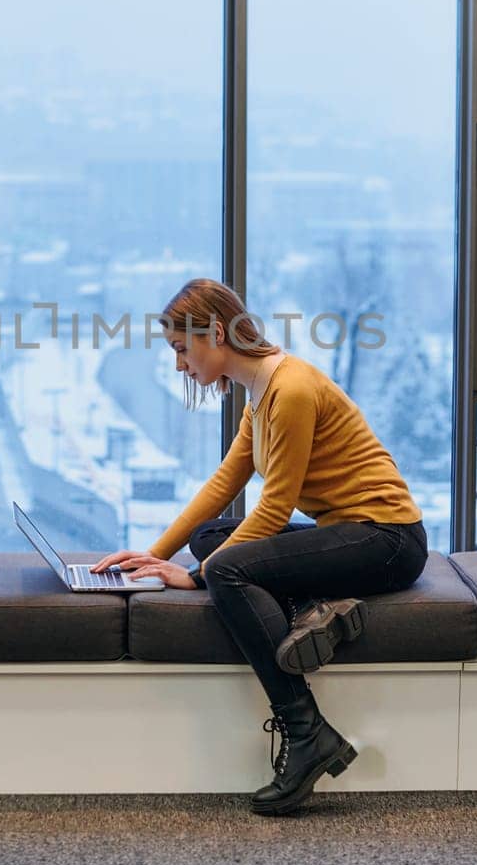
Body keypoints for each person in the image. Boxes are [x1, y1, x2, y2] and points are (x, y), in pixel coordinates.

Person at [93, 278, 428, 815]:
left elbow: (274, 510)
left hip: (386, 540)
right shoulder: (261, 391)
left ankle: (306, 730)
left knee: (225, 568)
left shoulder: (291, 390)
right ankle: (314, 612)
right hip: (347, 533)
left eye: (182, 348)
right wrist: (153, 556)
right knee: (211, 537)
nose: (179, 364)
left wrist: (200, 575)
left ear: (216, 333)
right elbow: (224, 485)